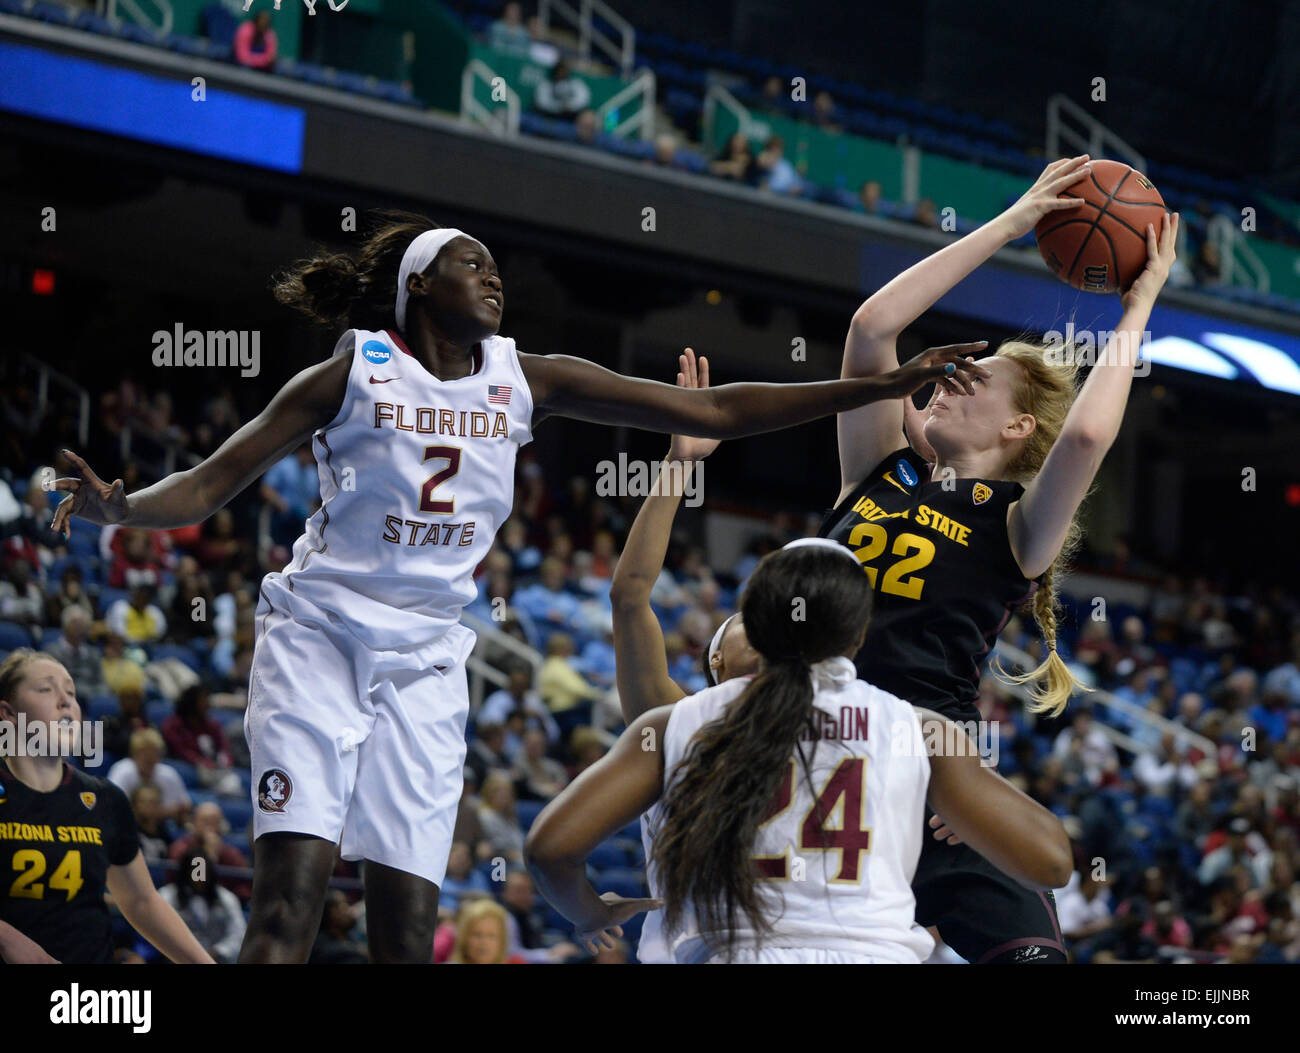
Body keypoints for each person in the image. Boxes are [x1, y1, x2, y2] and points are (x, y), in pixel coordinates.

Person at [51, 212, 980, 964]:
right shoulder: (352, 371)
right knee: (289, 905)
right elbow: (214, 481)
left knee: (409, 935)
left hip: (427, 655)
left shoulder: (521, 378)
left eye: (496, 265)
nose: (493, 276)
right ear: (420, 285)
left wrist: (885, 385)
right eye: (469, 263)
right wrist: (119, 508)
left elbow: (713, 410)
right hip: (320, 636)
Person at [813, 155, 1178, 962]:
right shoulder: (876, 469)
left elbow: (1085, 434)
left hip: (940, 783)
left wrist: (1139, 304)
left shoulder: (1016, 525)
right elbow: (873, 329)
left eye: (979, 380)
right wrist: (1016, 221)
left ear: (1017, 431)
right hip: (821, 759)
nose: (953, 379)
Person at [524, 542, 1071, 961]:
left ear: (756, 625)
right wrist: (972, 798)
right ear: (860, 636)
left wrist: (591, 913)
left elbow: (549, 850)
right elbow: (1050, 861)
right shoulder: (915, 728)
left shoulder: (675, 723)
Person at [0, 651, 213, 963]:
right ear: (7, 713)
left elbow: (140, 901)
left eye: (71, 693)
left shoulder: (105, 799)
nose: (65, 701)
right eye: (46, 689)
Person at [157, 851, 246, 964]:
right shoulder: (166, 896)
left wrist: (219, 951)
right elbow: (159, 931)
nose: (199, 876)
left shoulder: (226, 898)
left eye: (203, 871)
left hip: (217, 960)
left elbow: (238, 934)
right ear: (186, 871)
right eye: (195, 870)